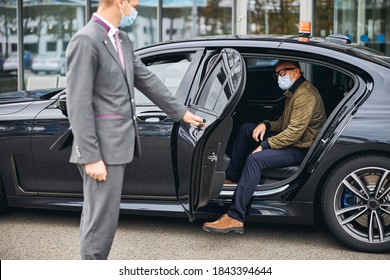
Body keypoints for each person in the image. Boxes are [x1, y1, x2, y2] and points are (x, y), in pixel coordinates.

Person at [66, 0, 204, 260]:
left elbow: (147, 80)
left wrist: (182, 113)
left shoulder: (122, 39)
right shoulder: (85, 40)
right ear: (119, 2)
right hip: (100, 149)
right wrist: (91, 155)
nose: (135, 9)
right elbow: (78, 102)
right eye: (134, 3)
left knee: (98, 216)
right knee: (101, 221)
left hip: (116, 145)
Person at [203, 60, 327, 234]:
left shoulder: (305, 96)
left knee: (255, 159)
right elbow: (284, 124)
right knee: (247, 128)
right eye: (277, 74)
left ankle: (235, 216)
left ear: (296, 72)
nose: (279, 77)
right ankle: (232, 177)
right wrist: (266, 125)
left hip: (301, 148)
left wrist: (265, 145)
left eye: (282, 72)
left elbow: (293, 133)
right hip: (293, 141)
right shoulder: (294, 92)